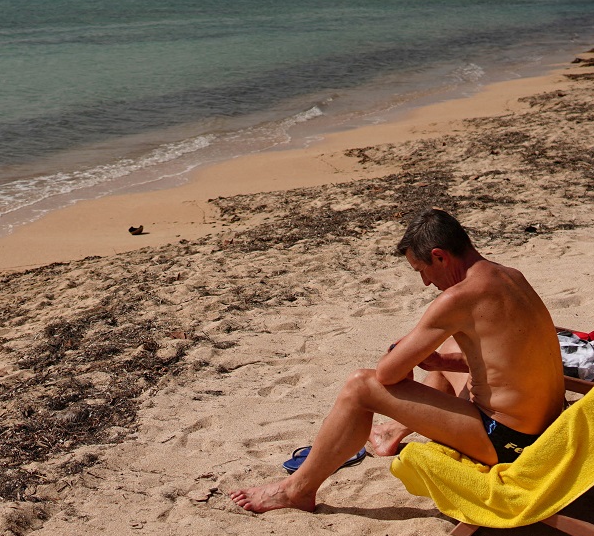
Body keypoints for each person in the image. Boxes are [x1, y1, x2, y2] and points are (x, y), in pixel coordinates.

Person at [229, 209, 565, 514]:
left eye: (423, 270)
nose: (425, 282)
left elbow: (388, 375)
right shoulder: (511, 277)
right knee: (449, 344)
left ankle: (297, 490)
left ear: (440, 256)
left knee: (361, 386)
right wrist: (440, 360)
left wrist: (404, 351)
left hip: (512, 442)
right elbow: (507, 360)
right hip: (550, 423)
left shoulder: (458, 299)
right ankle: (391, 431)